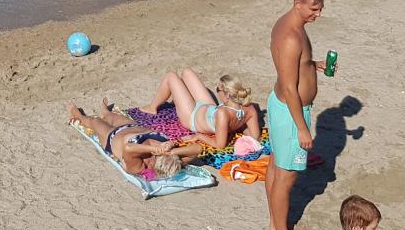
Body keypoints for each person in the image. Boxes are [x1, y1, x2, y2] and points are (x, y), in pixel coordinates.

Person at [266, 0, 326, 230]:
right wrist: (302, 128)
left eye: (320, 8)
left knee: (276, 166)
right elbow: (290, 87)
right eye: (313, 8)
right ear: (297, 2)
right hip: (291, 113)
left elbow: (291, 64)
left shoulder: (289, 25)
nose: (318, 14)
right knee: (286, 176)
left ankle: (274, 222)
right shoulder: (291, 36)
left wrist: (314, 65)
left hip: (281, 107)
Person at [66, 100, 200, 177]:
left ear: (153, 164)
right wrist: (171, 151)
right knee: (112, 117)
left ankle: (77, 114)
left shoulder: (139, 166)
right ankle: (106, 113)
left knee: (94, 121)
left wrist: (155, 148)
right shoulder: (171, 159)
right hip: (133, 127)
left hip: (112, 137)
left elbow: (128, 147)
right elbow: (198, 149)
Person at [143, 69, 260, 149]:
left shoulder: (223, 114)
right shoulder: (250, 108)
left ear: (228, 95)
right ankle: (180, 94)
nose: (217, 92)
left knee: (171, 76)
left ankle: (152, 107)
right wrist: (240, 125)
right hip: (209, 107)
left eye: (218, 90)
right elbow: (255, 136)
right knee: (186, 72)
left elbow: (220, 145)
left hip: (192, 116)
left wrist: (198, 136)